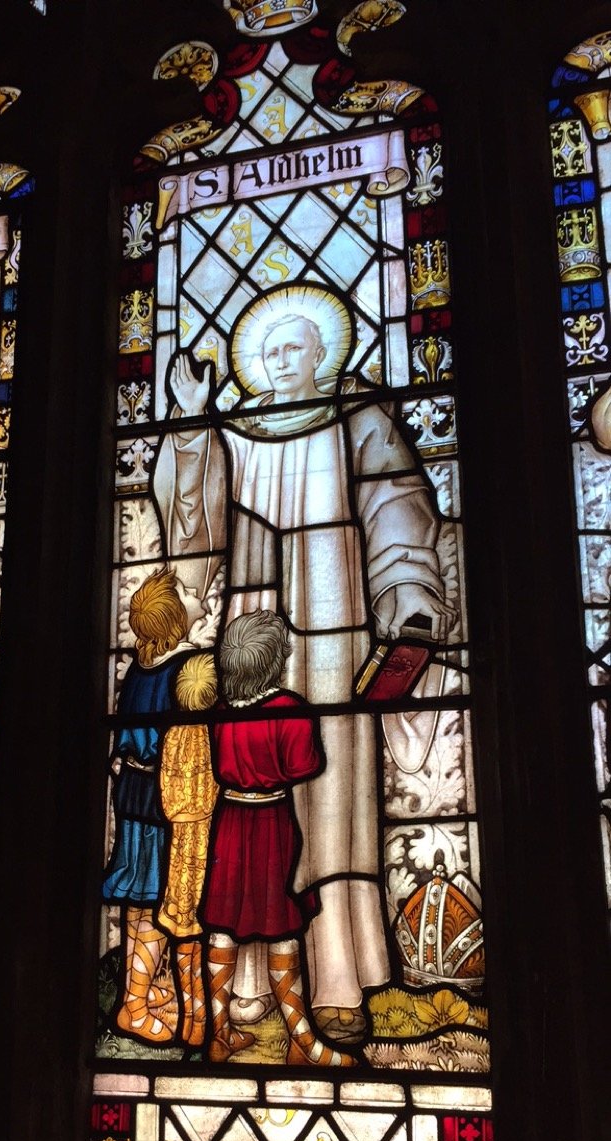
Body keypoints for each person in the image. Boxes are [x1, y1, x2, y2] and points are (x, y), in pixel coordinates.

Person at [154, 284, 454, 1042]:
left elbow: (399, 508)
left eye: (298, 347)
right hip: (252, 627)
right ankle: (249, 980)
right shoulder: (240, 431)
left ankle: (337, 977)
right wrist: (191, 427)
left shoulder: (362, 419)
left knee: (331, 798)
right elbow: (195, 527)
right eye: (273, 351)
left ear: (325, 353)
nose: (285, 361)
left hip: (334, 625)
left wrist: (408, 598)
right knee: (245, 811)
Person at [200, 609, 353, 1067]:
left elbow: (221, 767)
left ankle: (218, 1032)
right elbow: (305, 765)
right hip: (270, 823)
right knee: (282, 924)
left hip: (228, 822)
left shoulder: (222, 714)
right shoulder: (289, 711)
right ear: (274, 663)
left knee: (223, 923)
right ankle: (302, 1042)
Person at [103, 568, 199, 1045]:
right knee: (155, 900)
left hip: (132, 793)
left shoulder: (138, 670)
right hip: (164, 796)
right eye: (185, 592)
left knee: (140, 897)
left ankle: (144, 990)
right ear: (174, 617)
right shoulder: (186, 670)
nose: (195, 593)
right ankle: (132, 1007)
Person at [157, 652, 219, 1049]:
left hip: (180, 853)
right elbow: (214, 792)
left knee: (184, 935)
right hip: (206, 846)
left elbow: (168, 797)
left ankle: (189, 1018)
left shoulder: (175, 735)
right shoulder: (211, 735)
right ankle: (203, 1016)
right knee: (206, 934)